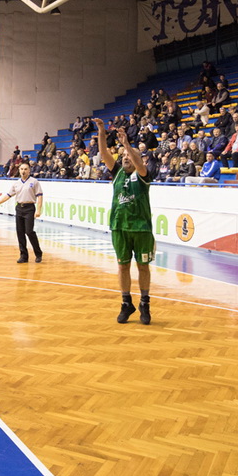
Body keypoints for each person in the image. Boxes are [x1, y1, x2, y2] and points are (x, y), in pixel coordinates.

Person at [94, 118, 154, 324]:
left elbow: (138, 161)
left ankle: (145, 303)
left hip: (141, 228)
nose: (126, 157)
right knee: (123, 266)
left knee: (143, 266)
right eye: (124, 155)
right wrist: (102, 131)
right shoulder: (117, 172)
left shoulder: (144, 174)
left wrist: (128, 145)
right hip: (119, 226)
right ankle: (126, 302)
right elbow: (103, 153)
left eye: (129, 155)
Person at [0, 161, 43, 264]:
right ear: (19, 170)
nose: (23, 171)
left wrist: (38, 210)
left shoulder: (34, 182)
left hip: (29, 208)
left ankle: (38, 253)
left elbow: (40, 196)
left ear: (29, 170)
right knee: (20, 232)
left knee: (29, 231)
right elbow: (7, 195)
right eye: (21, 169)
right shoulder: (16, 183)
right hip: (19, 208)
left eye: (25, 169)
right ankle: (23, 255)